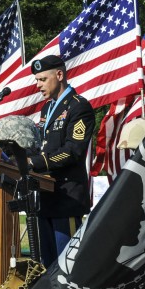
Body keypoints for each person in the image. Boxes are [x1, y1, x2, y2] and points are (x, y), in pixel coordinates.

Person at [27, 55, 95, 268]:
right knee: (49, 266)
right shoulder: (47, 109)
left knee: (69, 266)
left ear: (59, 75)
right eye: (37, 80)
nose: (38, 85)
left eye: (42, 80)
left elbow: (73, 151)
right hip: (45, 196)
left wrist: (35, 162)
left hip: (67, 198)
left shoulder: (78, 107)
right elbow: (43, 144)